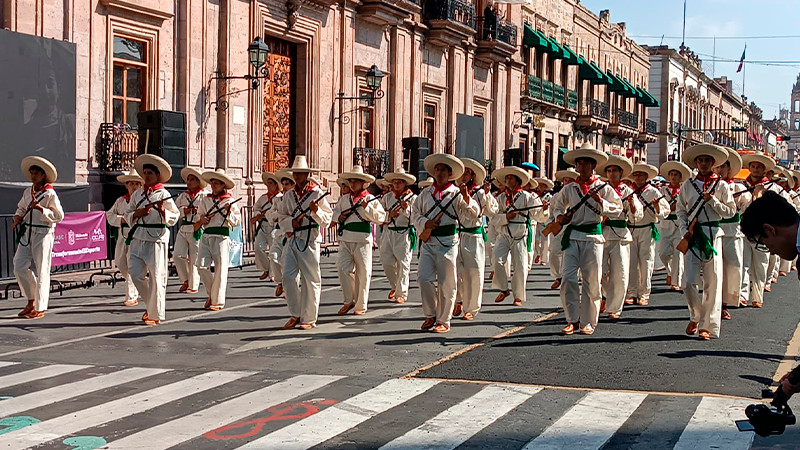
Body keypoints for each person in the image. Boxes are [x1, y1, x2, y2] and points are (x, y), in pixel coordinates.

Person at [550, 143, 622, 335]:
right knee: (568, 278)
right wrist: (559, 216)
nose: (581, 167)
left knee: (592, 281)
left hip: (593, 237)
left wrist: (601, 202)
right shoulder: (569, 188)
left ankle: (588, 321)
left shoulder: (603, 188)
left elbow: (618, 208)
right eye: (579, 163)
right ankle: (571, 319)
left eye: (585, 163)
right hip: (572, 236)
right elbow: (556, 205)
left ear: (592, 166)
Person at [411, 154, 478, 333]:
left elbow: (473, 214)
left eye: (443, 170)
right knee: (423, 278)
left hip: (448, 243)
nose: (439, 173)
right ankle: (430, 314)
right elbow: (414, 214)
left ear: (450, 173)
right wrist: (425, 223)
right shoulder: (424, 194)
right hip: (428, 241)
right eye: (437, 169)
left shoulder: (457, 194)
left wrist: (466, 198)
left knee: (447, 283)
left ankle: (444, 321)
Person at [676, 144, 735, 340]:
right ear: (696, 163)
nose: (703, 163)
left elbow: (730, 211)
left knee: (713, 281)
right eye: (700, 160)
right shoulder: (687, 184)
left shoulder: (722, 185)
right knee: (688, 281)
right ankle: (695, 315)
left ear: (713, 163)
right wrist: (685, 231)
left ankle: (707, 326)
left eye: (707, 160)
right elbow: (681, 211)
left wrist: (713, 201)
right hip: (693, 235)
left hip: (714, 234)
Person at [277, 156, 333, 330]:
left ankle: (309, 317)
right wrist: (290, 223)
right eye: (295, 173)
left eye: (300, 173)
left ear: (307, 174)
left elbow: (327, 220)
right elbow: (282, 217)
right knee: (287, 277)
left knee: (310, 279)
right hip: (293, 238)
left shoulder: (317, 193)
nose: (297, 176)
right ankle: (296, 312)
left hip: (310, 238)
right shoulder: (289, 195)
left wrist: (316, 212)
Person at [124, 155, 180, 326]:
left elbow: (175, 216)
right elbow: (127, 213)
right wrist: (136, 214)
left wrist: (163, 211)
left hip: (156, 239)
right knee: (135, 273)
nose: (147, 176)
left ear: (157, 176)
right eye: (145, 173)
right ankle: (151, 306)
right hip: (137, 237)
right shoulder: (137, 194)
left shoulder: (164, 194)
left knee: (156, 276)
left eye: (150, 173)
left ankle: (155, 314)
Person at [12, 156, 64, 319]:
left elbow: (59, 216)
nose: (33, 176)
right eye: (32, 173)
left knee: (42, 269)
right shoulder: (28, 191)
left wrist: (42, 209)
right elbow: (21, 207)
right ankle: (31, 299)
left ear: (43, 176)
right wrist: (17, 217)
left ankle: (40, 307)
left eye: (37, 173)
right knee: (19, 265)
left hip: (43, 233)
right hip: (27, 232)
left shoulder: (50, 194)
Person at [332, 166, 387, 316]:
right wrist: (339, 217)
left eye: (356, 181)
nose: (352, 184)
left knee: (363, 272)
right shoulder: (344, 199)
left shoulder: (369, 199)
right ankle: (349, 299)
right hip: (345, 238)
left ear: (363, 183)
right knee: (343, 269)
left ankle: (360, 304)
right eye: (351, 181)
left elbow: (381, 218)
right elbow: (335, 213)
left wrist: (367, 208)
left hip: (362, 239)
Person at [490, 166, 543, 306]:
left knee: (520, 266)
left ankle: (518, 296)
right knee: (497, 260)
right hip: (504, 232)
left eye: (511, 178)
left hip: (520, 233)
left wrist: (543, 209)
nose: (508, 180)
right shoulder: (501, 197)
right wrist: (507, 217)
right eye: (506, 178)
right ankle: (503, 288)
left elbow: (538, 214)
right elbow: (494, 217)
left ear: (518, 181)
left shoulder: (527, 197)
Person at [597, 155, 642, 320]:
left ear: (621, 172)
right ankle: (603, 296)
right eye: (608, 171)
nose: (611, 174)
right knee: (600, 271)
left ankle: (615, 306)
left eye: (614, 170)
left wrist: (631, 204)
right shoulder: (601, 188)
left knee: (620, 272)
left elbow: (637, 214)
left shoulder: (628, 190)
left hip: (621, 234)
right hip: (602, 233)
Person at [454, 158, 497, 319]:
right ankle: (458, 301)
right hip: (457, 235)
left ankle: (471, 308)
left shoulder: (479, 193)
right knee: (455, 271)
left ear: (472, 175)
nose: (464, 176)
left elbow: (489, 211)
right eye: (462, 172)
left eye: (467, 173)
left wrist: (485, 194)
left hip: (474, 235)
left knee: (474, 272)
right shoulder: (454, 191)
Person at [194, 169, 242, 311]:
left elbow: (237, 221)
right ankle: (212, 293)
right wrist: (202, 219)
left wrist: (227, 213)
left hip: (221, 237)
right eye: (212, 183)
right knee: (201, 266)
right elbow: (198, 217)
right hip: (207, 235)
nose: (213, 185)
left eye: (217, 183)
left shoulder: (230, 201)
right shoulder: (205, 199)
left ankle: (218, 301)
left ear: (223, 185)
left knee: (221, 269)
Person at [740, 151, 781, 307]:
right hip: (743, 230)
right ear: (749, 168)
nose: (755, 169)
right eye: (753, 166)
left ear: (764, 170)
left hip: (763, 232)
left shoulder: (773, 188)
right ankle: (743, 295)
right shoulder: (740, 185)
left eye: (759, 167)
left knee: (761, 265)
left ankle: (758, 296)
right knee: (743, 264)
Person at [625, 164, 670, 306]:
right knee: (631, 262)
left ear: (646, 177)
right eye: (635, 174)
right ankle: (631, 292)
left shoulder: (654, 192)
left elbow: (665, 211)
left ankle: (644, 293)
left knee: (646, 262)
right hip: (630, 229)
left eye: (641, 174)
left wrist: (656, 207)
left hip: (646, 229)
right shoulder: (628, 190)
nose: (638, 177)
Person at [714, 148, 746, 320]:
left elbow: (745, 207)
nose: (719, 170)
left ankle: (728, 301)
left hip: (733, 231)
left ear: (729, 168)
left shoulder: (738, 187)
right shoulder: (709, 186)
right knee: (715, 270)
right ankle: (716, 304)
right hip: (714, 230)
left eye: (723, 167)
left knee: (733, 267)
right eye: (717, 167)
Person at [380, 168, 417, 305]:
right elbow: (379, 214)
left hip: (404, 233)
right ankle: (395, 286)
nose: (396, 185)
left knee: (403, 264)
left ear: (405, 183)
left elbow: (416, 218)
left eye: (399, 182)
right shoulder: (387, 197)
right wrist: (389, 215)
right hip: (389, 231)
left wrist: (406, 209)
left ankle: (401, 293)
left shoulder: (413, 198)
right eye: (394, 182)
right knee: (386, 261)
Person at [106, 170, 143, 306]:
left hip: (137, 236)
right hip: (122, 235)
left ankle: (131, 296)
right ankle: (138, 284)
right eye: (131, 183)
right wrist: (121, 219)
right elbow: (109, 215)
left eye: (136, 183)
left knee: (132, 265)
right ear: (126, 185)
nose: (133, 186)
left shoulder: (142, 201)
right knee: (121, 263)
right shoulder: (121, 201)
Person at [658, 161, 691, 292]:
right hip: (665, 223)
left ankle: (676, 281)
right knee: (663, 253)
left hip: (679, 224)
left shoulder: (684, 189)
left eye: (676, 175)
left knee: (678, 254)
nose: (673, 177)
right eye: (671, 174)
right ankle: (670, 271)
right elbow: (659, 205)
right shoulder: (662, 190)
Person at [174, 168, 208, 294]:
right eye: (188, 179)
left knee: (195, 257)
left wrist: (197, 214)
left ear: (198, 181)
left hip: (197, 227)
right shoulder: (182, 196)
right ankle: (185, 279)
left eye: (192, 179)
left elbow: (207, 212)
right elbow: (175, 212)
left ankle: (193, 285)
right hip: (184, 227)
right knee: (178, 255)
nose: (189, 182)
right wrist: (185, 211)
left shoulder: (205, 195)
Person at [549, 168, 579, 290]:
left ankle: (568, 276)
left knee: (570, 254)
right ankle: (558, 276)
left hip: (573, 227)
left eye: (570, 180)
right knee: (554, 252)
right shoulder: (556, 196)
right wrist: (552, 221)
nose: (567, 182)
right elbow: (552, 211)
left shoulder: (578, 194)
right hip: (558, 226)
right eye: (565, 180)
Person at [269, 169, 295, 298]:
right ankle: (280, 282)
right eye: (283, 184)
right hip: (278, 232)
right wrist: (277, 215)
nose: (284, 187)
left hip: (289, 233)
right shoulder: (277, 199)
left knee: (287, 262)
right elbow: (271, 214)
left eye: (287, 184)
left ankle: (288, 288)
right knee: (273, 256)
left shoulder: (295, 198)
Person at [253, 172, 282, 281]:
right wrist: (257, 215)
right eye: (268, 183)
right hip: (263, 225)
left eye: (271, 183)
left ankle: (272, 274)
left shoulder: (280, 198)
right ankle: (265, 269)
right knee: (258, 248)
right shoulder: (263, 198)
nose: (268, 185)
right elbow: (256, 208)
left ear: (276, 185)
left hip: (274, 226)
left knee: (273, 250)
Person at [532, 177, 554, 266]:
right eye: (539, 185)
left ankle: (544, 258)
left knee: (545, 240)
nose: (540, 187)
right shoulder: (535, 196)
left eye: (542, 186)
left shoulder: (549, 197)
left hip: (546, 220)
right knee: (536, 239)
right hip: (536, 219)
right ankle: (538, 253)